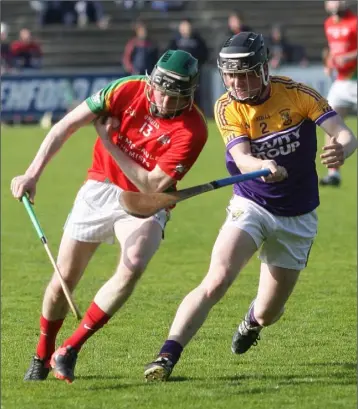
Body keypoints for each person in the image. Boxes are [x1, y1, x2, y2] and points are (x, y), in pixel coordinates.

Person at [144, 32, 357, 382]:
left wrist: (342, 149)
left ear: (264, 68)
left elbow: (344, 133)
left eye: (246, 74)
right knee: (215, 281)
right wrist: (261, 166)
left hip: (298, 216)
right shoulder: (227, 105)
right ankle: (166, 355)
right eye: (231, 75)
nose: (238, 83)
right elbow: (241, 156)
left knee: (270, 312)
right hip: (251, 204)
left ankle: (252, 321)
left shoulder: (298, 93)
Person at [11, 49, 208, 383]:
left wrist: (107, 140)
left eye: (170, 94)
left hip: (145, 202)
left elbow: (149, 185)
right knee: (62, 284)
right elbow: (66, 126)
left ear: (187, 96)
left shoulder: (192, 131)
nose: (160, 97)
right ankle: (42, 353)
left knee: (132, 266)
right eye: (158, 87)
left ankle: (70, 349)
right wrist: (32, 174)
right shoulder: (125, 89)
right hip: (99, 188)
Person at [320, 0, 357, 187]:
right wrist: (329, 62)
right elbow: (330, 49)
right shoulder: (328, 23)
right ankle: (333, 173)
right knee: (330, 120)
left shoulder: (355, 22)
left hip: (356, 79)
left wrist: (349, 57)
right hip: (341, 82)